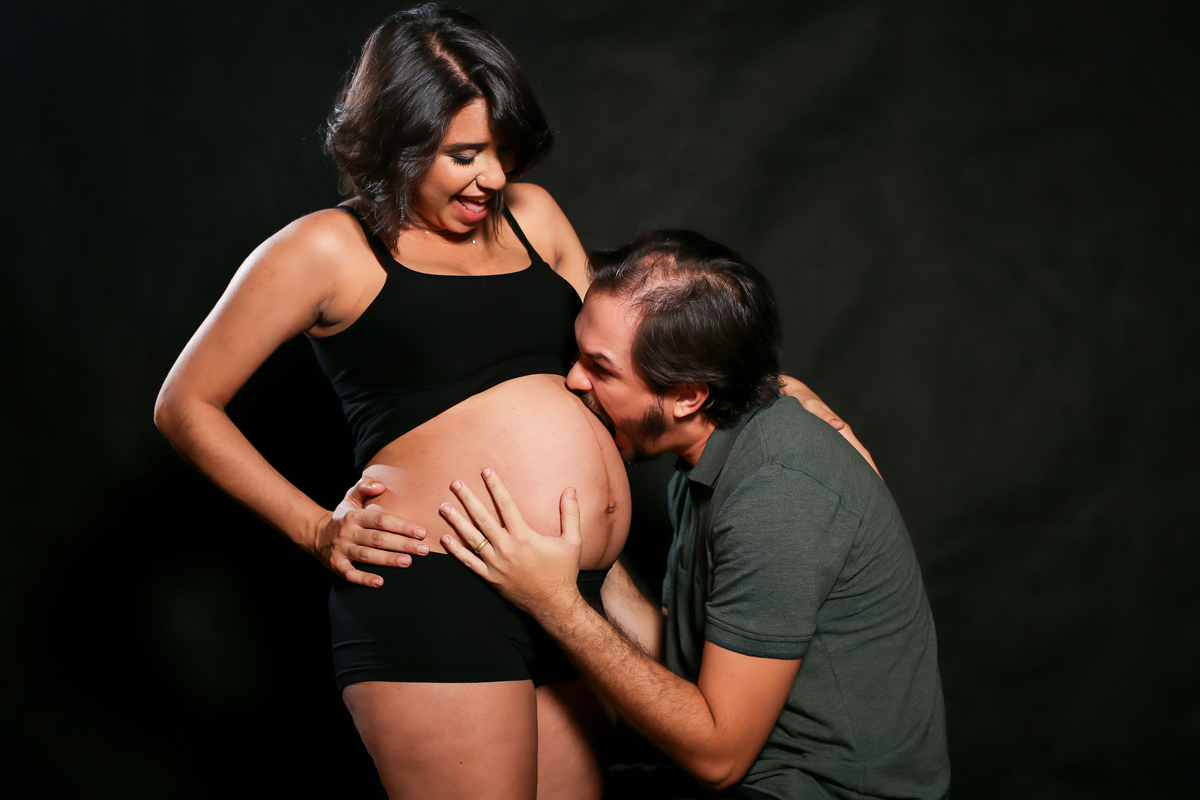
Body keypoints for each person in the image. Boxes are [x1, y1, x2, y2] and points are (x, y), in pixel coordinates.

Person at [155, 6, 870, 798]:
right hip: (443, 592)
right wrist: (318, 529)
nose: (493, 178)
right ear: (398, 140)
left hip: (567, 591)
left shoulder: (531, 217)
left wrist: (772, 390)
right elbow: (185, 404)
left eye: (503, 150)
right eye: (465, 155)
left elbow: (646, 351)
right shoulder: (327, 249)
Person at [436, 230, 951, 799]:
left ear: (688, 396)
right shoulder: (714, 456)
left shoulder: (778, 492)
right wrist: (580, 554)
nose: (574, 379)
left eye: (601, 368)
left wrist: (555, 603)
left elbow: (718, 757)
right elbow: (684, 662)